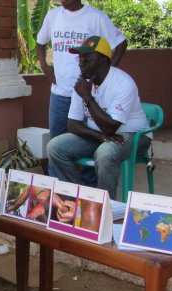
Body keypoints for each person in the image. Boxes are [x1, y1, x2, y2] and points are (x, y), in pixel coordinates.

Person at [46, 36, 151, 200]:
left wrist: (87, 98)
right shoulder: (82, 84)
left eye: (88, 59)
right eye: (80, 58)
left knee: (105, 154)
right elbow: (72, 125)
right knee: (55, 147)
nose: (81, 63)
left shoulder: (123, 83)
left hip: (132, 135)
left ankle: (105, 208)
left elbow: (111, 127)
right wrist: (101, 137)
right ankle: (79, 200)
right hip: (101, 136)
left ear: (103, 60)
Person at [36, 0, 127, 179]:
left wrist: (106, 74)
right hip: (60, 94)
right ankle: (60, 192)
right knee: (55, 146)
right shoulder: (52, 16)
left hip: (88, 94)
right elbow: (40, 43)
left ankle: (89, 192)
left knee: (91, 142)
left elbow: (121, 44)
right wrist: (45, 67)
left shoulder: (96, 17)